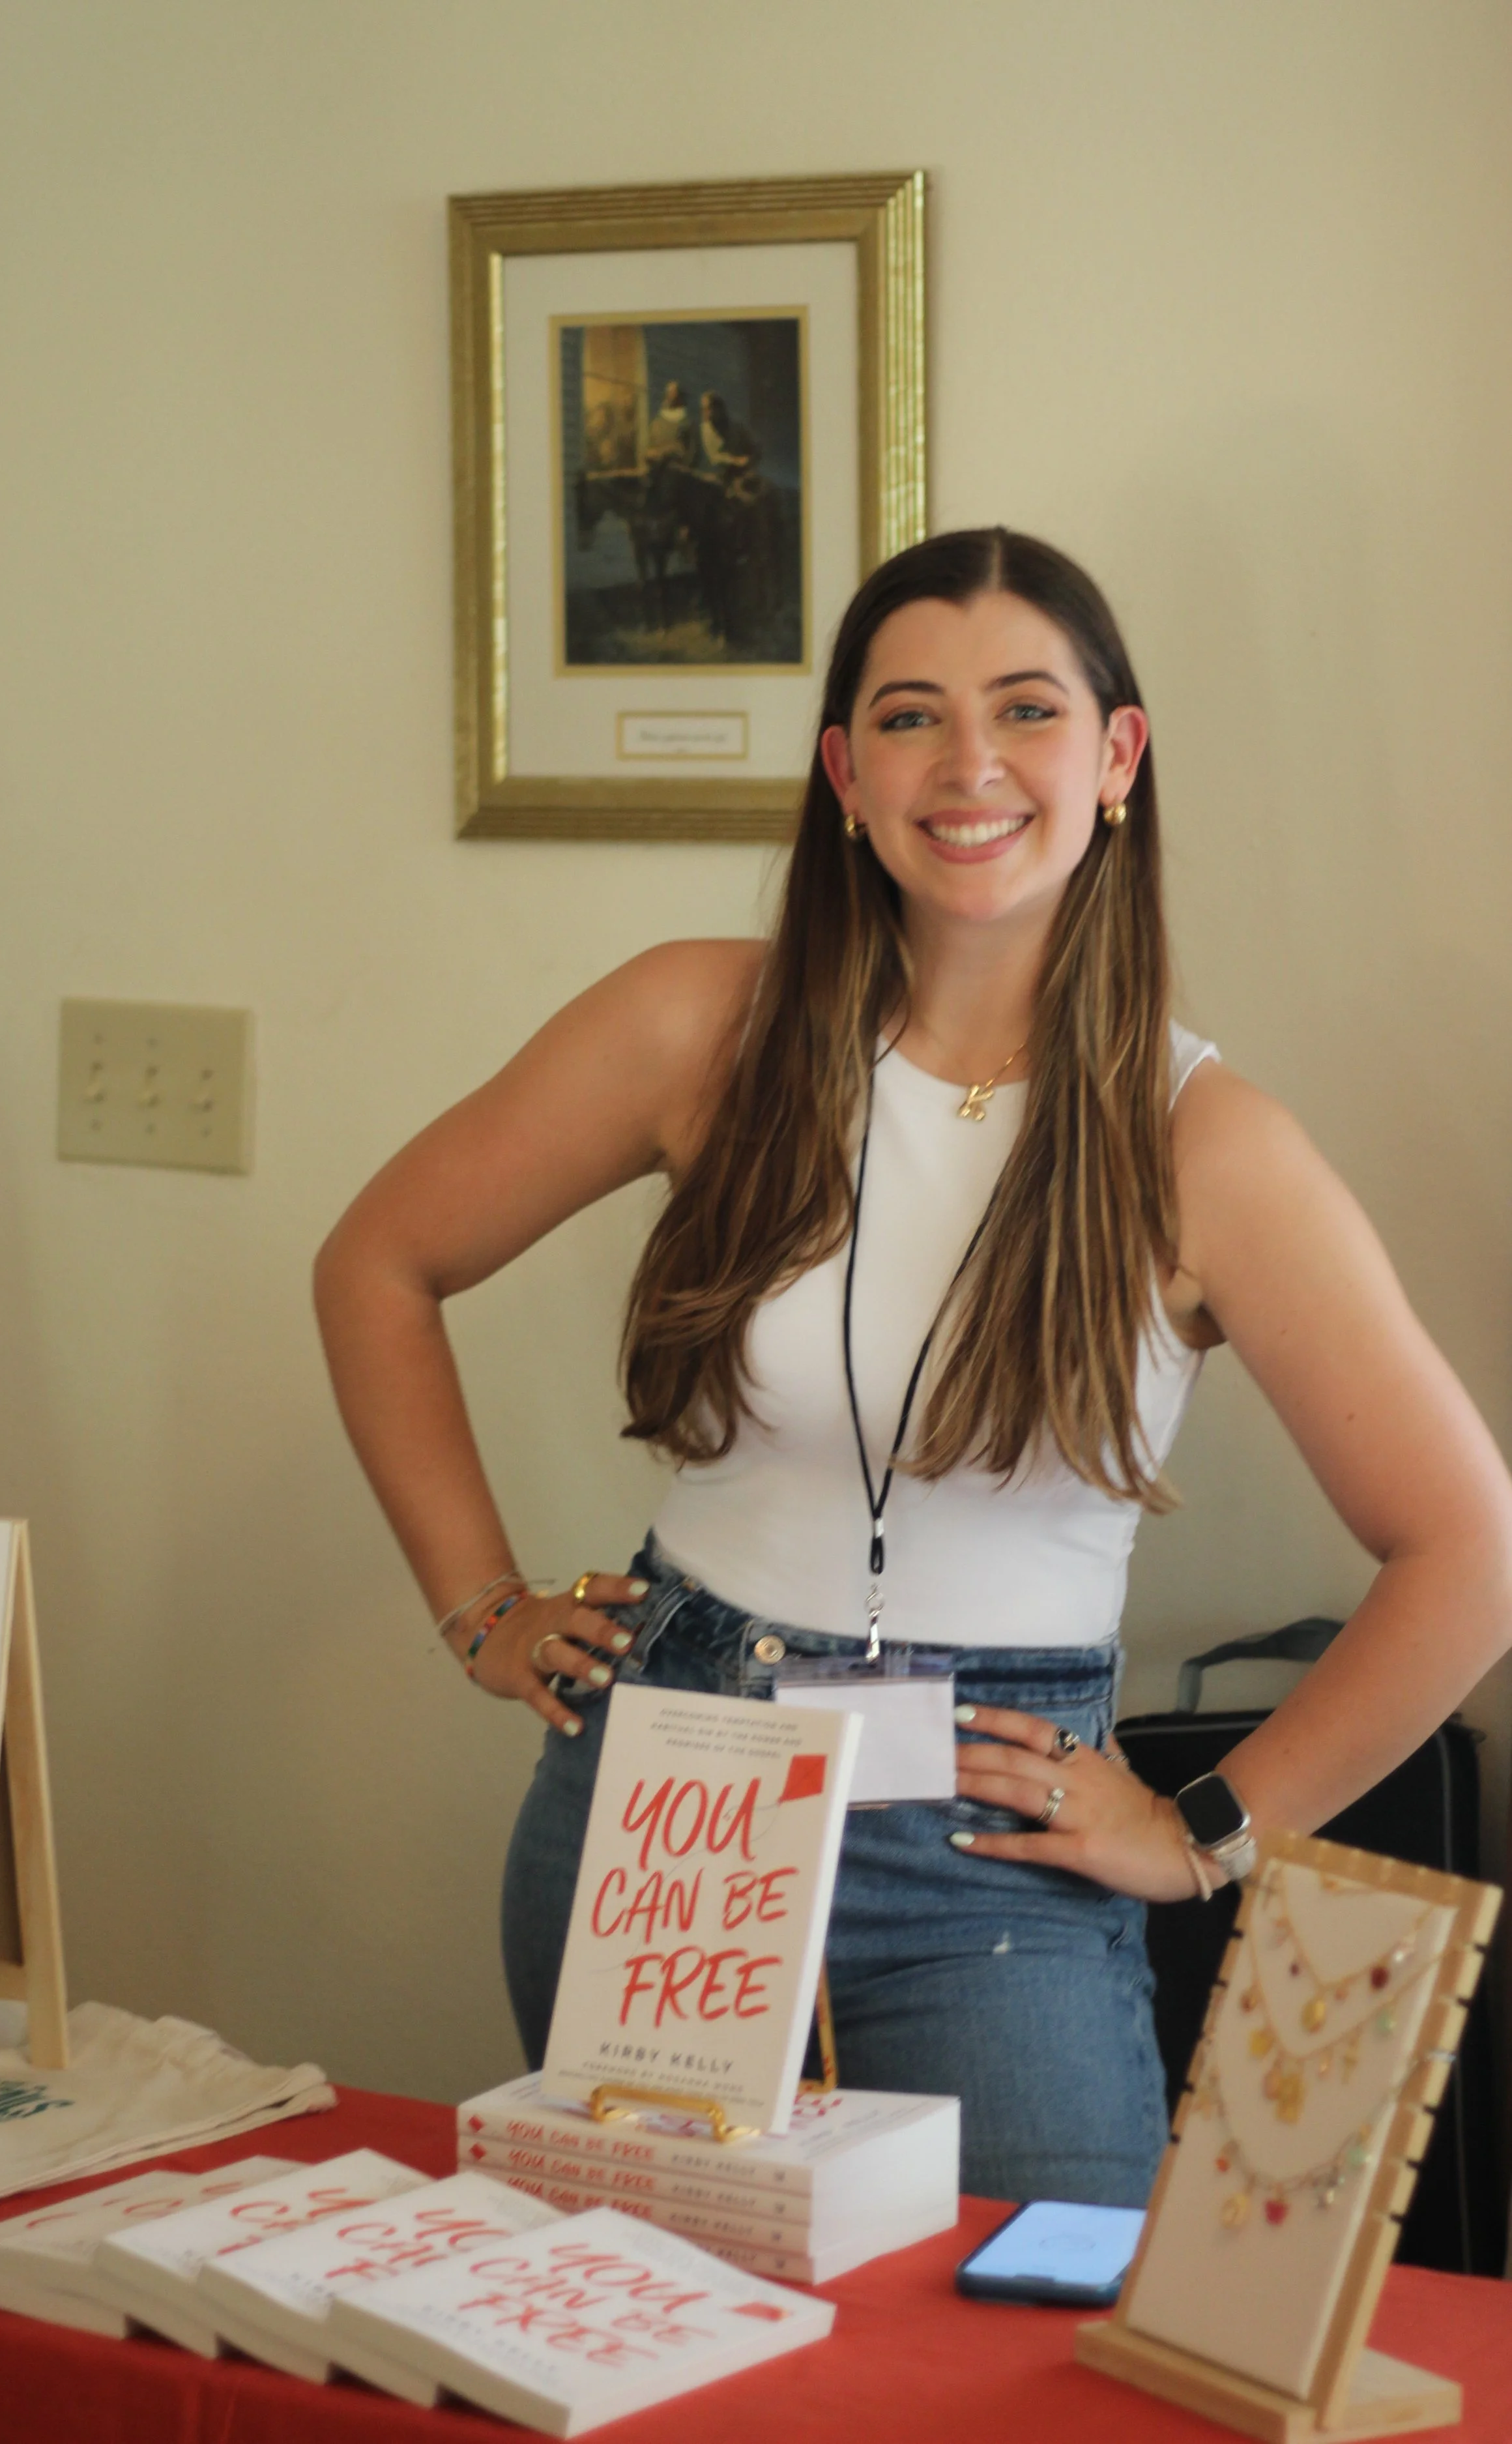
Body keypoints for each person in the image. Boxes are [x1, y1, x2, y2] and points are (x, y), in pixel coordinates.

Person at [314, 528, 1512, 2206]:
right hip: (668, 1791)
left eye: (1026, 710)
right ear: (843, 776)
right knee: (648, 2339)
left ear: (1115, 760)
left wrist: (1198, 1833)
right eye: (906, 719)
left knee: (1009, 2369)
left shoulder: (1205, 1145)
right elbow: (378, 1260)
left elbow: (1468, 1549)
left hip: (993, 1856)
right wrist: (477, 1604)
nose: (967, 766)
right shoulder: (693, 1027)